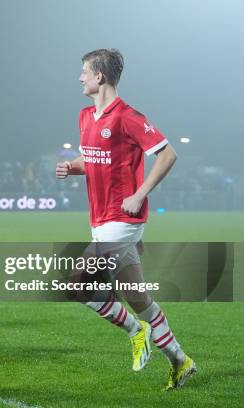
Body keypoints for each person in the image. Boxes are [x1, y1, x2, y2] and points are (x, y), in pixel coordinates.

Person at [55, 48, 195, 390]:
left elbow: (168, 153)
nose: (80, 77)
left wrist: (140, 192)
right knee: (137, 298)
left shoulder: (127, 116)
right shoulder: (85, 117)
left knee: (76, 283)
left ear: (99, 77)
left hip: (123, 219)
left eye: (84, 72)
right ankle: (180, 360)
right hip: (100, 219)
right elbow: (96, 159)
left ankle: (135, 332)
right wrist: (74, 166)